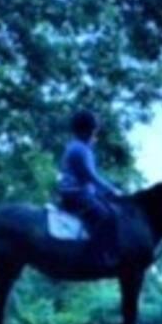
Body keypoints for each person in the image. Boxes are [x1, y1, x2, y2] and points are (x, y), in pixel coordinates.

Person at [57, 109, 122, 268]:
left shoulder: (79, 146)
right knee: (105, 216)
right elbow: (91, 177)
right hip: (75, 193)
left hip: (79, 191)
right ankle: (94, 255)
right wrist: (112, 190)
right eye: (94, 129)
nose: (95, 133)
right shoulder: (80, 149)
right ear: (86, 130)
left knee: (108, 208)